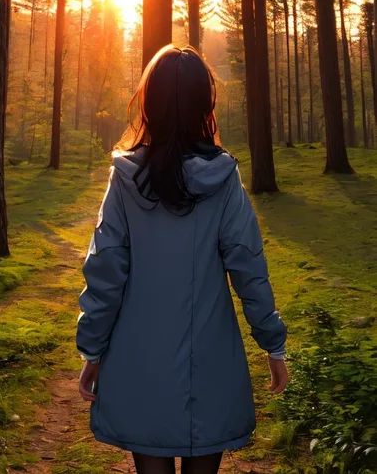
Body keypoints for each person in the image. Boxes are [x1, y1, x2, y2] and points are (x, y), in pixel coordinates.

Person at [76, 45, 288, 474]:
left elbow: (105, 271)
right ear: (203, 105)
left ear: (149, 103)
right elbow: (249, 268)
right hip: (210, 361)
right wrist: (272, 344)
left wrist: (92, 351)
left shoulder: (125, 181)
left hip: (139, 361)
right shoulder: (225, 180)